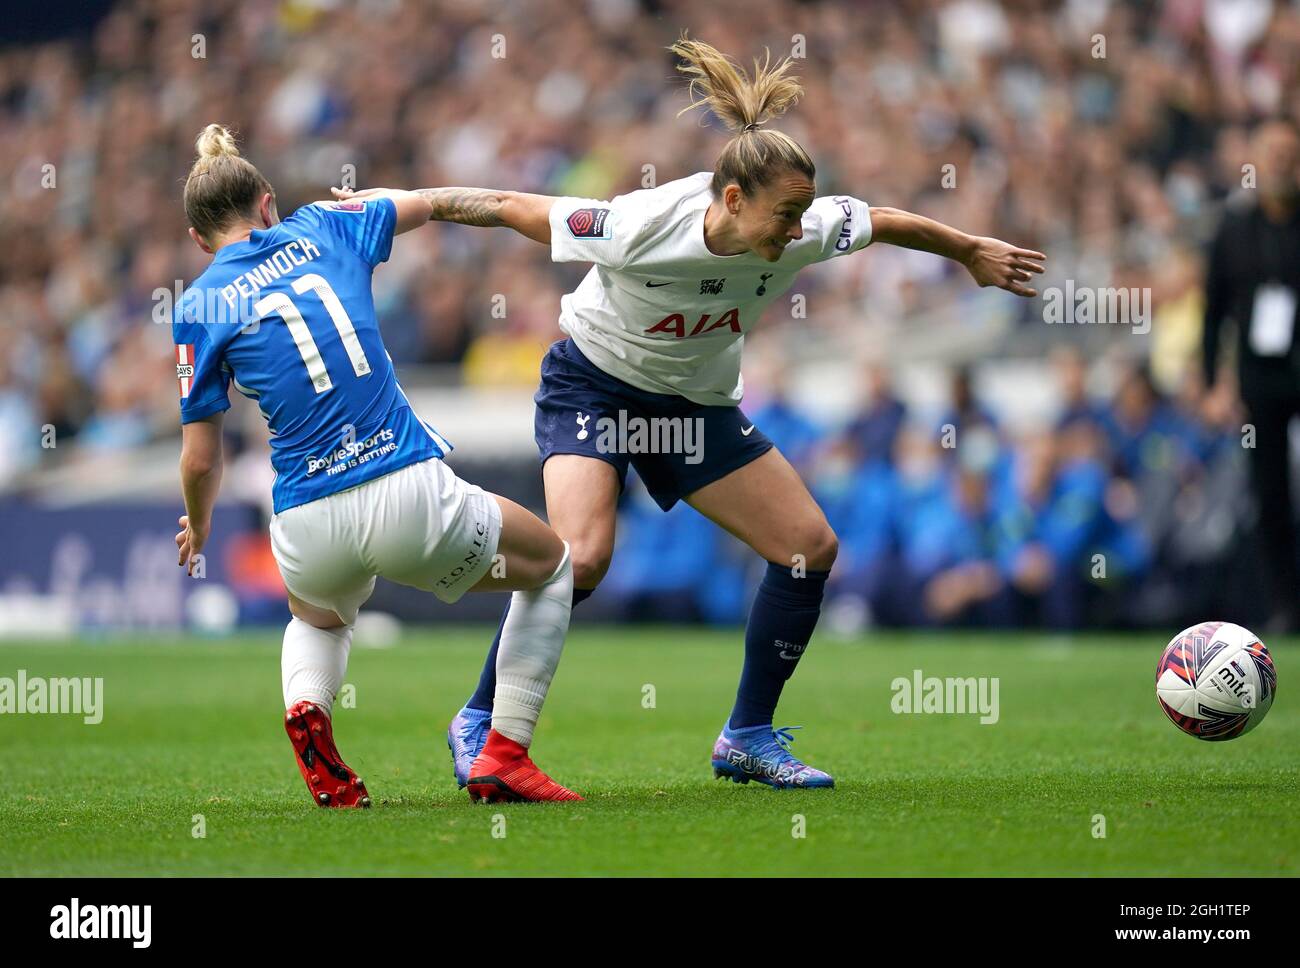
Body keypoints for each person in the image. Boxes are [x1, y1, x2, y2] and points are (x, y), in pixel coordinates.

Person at [337, 36, 1045, 790]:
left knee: (808, 546)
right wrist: (400, 207)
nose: (797, 229)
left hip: (694, 404)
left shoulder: (801, 230)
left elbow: (886, 219)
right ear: (732, 200)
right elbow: (512, 204)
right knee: (581, 556)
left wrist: (969, 250)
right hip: (595, 385)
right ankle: (480, 718)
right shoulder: (640, 225)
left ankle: (746, 735)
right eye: (785, 214)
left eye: (805, 212)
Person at [172, 124, 581, 806]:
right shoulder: (328, 225)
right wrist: (377, 198)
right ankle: (504, 753)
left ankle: (310, 712)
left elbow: (198, 457)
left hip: (305, 518)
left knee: (316, 622)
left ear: (197, 240)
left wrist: (198, 523)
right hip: (406, 489)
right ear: (267, 202)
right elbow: (427, 203)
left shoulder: (197, 306)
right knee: (553, 564)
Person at [1202, 119, 1300, 632]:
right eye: (1273, 153)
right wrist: (1213, 382)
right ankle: (1285, 605)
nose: (1282, 161)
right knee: (1269, 494)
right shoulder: (1235, 229)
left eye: (1290, 152)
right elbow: (1213, 311)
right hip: (1259, 378)